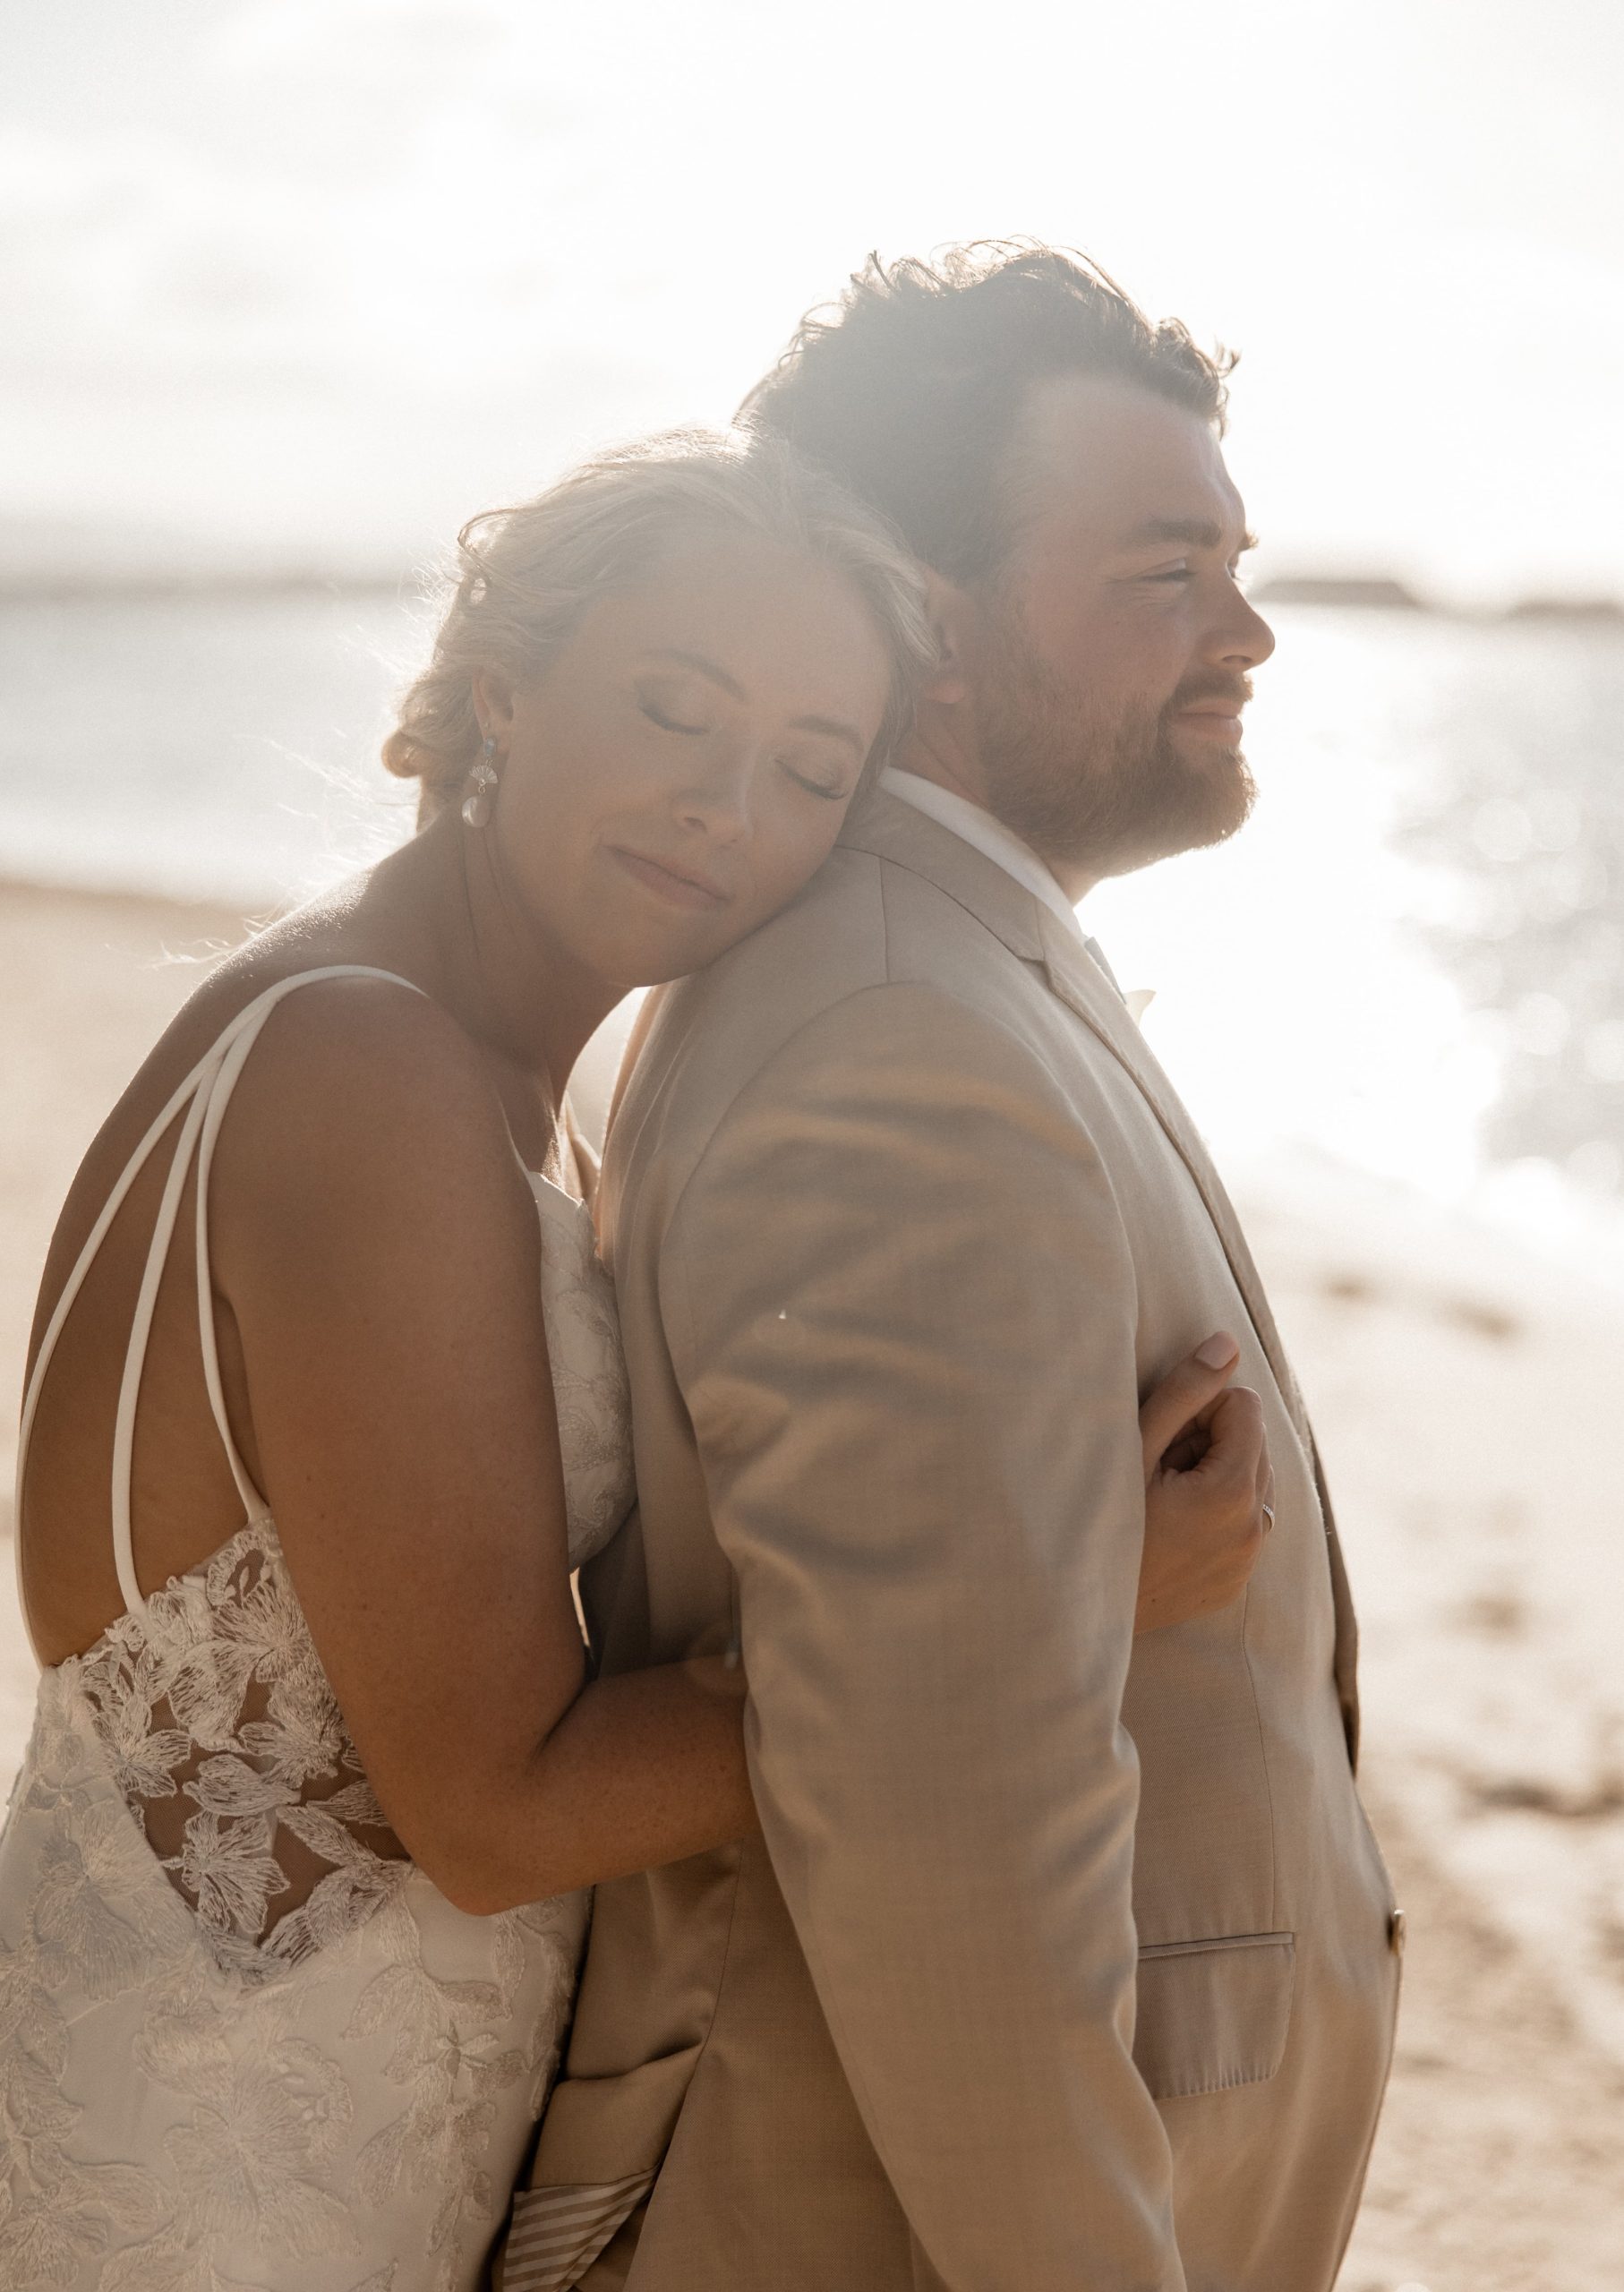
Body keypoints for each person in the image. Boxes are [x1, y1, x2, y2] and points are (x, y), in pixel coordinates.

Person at [0, 430, 1269, 2292]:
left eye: (813, 769)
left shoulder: (487, 1080)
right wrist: (1074, 1589)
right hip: (212, 2172)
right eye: (672, 709)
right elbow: (497, 1808)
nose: (727, 806)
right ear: (505, 685)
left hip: (310, 2119)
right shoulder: (365, 1071)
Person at [505, 248, 1401, 2292]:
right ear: (930, 624)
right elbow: (944, 1839)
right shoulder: (896, 1034)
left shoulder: (958, 969)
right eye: (1162, 570)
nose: (1245, 630)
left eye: (1238, 563)